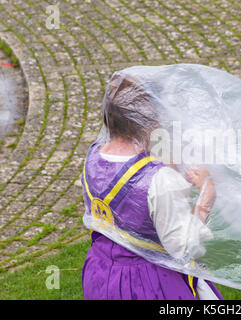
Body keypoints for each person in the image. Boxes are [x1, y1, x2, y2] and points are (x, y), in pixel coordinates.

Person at [81, 73, 223, 300]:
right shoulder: (160, 180)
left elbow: (125, 208)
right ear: (149, 122)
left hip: (101, 274)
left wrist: (168, 172)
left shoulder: (94, 156)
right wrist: (207, 194)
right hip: (148, 284)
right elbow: (185, 247)